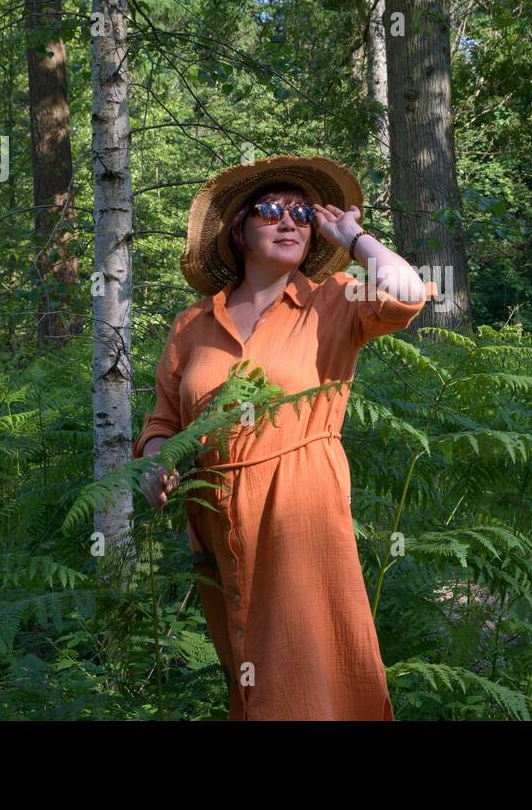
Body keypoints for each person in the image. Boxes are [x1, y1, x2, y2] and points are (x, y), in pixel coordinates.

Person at [131, 154, 430, 720]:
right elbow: (164, 421)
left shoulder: (334, 299)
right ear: (238, 230)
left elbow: (409, 293)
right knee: (243, 663)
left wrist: (353, 235)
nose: (289, 220)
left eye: (302, 213)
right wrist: (154, 462)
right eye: (271, 210)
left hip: (300, 505)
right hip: (215, 512)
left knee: (310, 657)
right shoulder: (193, 324)